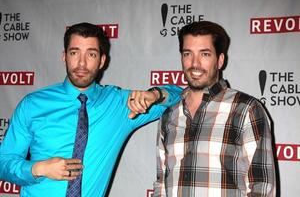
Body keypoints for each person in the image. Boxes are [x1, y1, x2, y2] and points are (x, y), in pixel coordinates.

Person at [0, 22, 182, 197]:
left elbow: (181, 96)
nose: (81, 63)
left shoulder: (119, 104)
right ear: (64, 56)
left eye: (91, 54)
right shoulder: (33, 105)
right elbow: (3, 163)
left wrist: (156, 94)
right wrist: (38, 168)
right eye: (74, 53)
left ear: (102, 61)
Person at [154, 21, 276, 196]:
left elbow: (262, 187)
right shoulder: (169, 115)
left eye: (205, 54)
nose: (194, 63)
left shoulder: (246, 109)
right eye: (188, 53)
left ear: (220, 60)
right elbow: (161, 184)